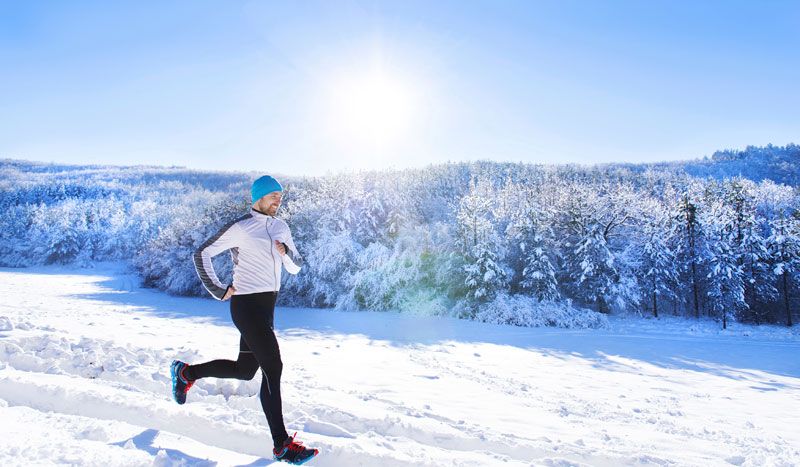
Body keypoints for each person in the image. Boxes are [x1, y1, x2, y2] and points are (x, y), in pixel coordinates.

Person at [170, 175, 318, 465]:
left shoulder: (281, 227)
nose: (279, 200)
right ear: (258, 196)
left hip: (267, 307)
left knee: (245, 370)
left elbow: (297, 267)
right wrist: (219, 289)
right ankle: (282, 445)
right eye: (274, 195)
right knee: (272, 366)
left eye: (281, 196)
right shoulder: (242, 227)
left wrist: (285, 252)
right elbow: (202, 254)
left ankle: (186, 373)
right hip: (246, 306)